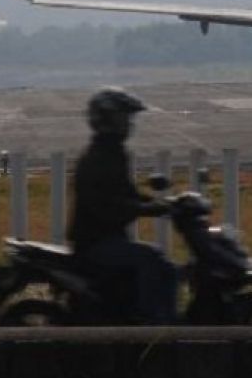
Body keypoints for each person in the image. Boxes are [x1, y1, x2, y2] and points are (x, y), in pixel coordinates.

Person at [69, 87, 177, 324]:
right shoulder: (99, 158)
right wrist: (146, 208)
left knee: (161, 263)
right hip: (96, 243)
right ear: (108, 120)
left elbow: (126, 194)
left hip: (108, 239)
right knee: (153, 259)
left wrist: (161, 203)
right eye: (124, 118)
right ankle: (153, 322)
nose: (129, 124)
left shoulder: (112, 153)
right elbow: (108, 204)